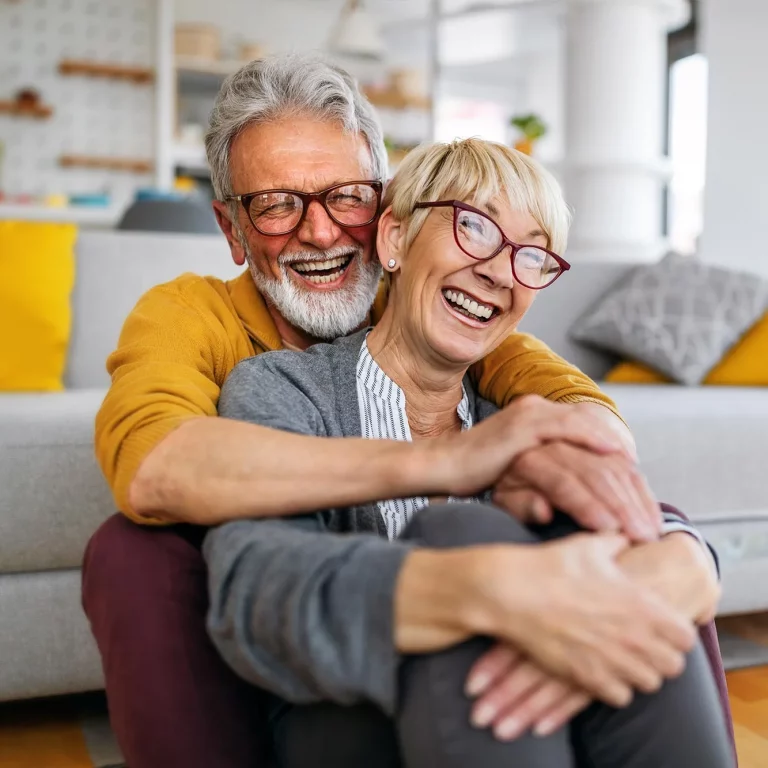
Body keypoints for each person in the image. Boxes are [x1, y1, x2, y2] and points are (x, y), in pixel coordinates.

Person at [80, 54, 725, 768]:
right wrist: (458, 495)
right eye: (276, 204)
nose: (320, 232)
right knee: (134, 550)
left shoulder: (456, 324)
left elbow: (579, 416)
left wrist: (678, 550)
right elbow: (156, 469)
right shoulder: (227, 347)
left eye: (346, 196)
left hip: (464, 658)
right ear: (233, 229)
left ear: (384, 213)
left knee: (628, 539)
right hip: (317, 653)